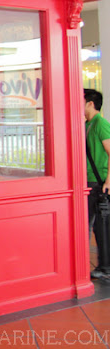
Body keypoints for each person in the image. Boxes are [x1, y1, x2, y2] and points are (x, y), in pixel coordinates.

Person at [84, 88, 110, 279]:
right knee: (90, 225)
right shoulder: (87, 124)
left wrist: (108, 181)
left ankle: (105, 267)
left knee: (100, 227)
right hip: (88, 181)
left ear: (90, 103)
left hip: (98, 182)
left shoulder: (101, 124)